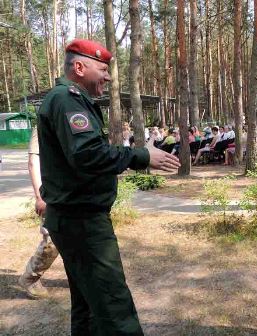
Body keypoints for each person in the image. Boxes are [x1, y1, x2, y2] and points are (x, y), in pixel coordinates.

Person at [37, 39, 180, 336]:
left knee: (88, 306)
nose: (108, 77)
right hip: (82, 224)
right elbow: (86, 154)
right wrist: (141, 156)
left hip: (74, 219)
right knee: (114, 307)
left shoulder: (72, 99)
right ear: (79, 67)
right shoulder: (67, 99)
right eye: (102, 69)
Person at [18, 127, 59, 299]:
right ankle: (30, 278)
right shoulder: (44, 124)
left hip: (70, 192)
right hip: (51, 193)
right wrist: (40, 197)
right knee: (52, 240)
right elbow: (34, 162)